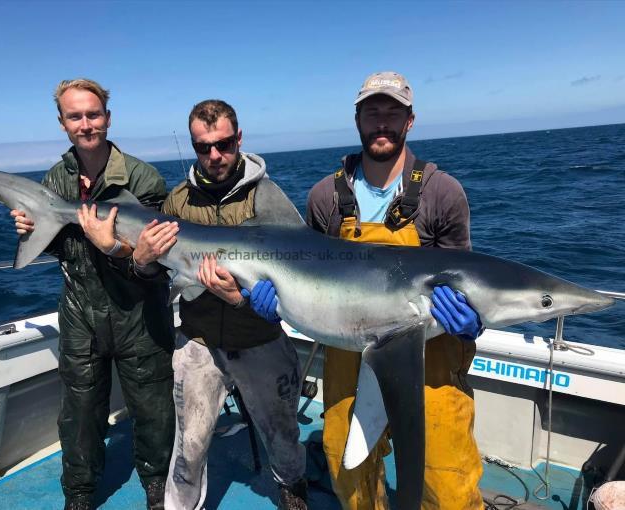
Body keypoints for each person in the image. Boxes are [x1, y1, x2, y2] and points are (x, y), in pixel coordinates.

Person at [247, 72, 485, 509]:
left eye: (392, 112)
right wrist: (276, 302)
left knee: (446, 477)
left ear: (409, 121)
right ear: (357, 118)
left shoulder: (442, 193)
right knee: (346, 463)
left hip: (429, 354)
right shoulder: (326, 197)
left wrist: (473, 321)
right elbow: (306, 272)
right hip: (349, 349)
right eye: (372, 112)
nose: (382, 122)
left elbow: (468, 278)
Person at [11, 78, 179, 510]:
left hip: (139, 312)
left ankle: (158, 488)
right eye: (75, 116)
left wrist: (116, 248)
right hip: (80, 313)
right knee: (80, 414)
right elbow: (62, 249)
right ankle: (80, 495)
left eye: (93, 114)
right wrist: (34, 233)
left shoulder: (143, 178)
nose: (86, 124)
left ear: (107, 117)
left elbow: (158, 262)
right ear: (63, 123)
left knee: (154, 410)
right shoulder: (54, 181)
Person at [134, 99, 308, 510]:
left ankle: (292, 485)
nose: (215, 155)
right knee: (189, 445)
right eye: (203, 147)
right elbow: (161, 276)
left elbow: (301, 274)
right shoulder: (176, 202)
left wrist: (247, 302)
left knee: (283, 434)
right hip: (199, 337)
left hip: (260, 335)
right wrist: (141, 263)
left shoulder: (267, 198)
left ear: (239, 139)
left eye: (224, 144)